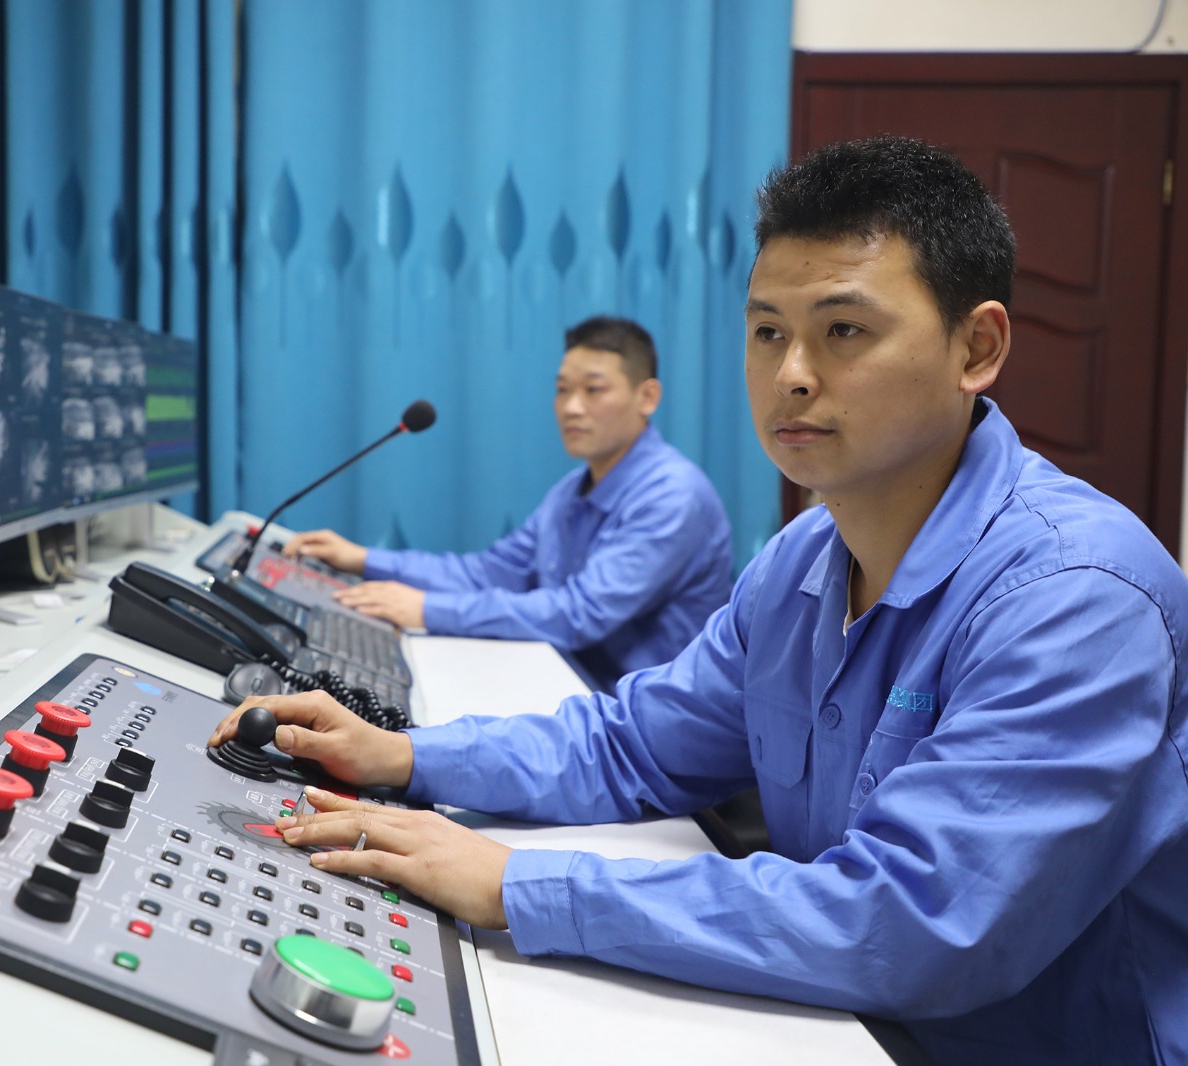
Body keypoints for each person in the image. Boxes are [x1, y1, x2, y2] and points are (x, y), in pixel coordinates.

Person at [209, 136, 1188, 1063]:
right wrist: (406, 756)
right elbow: (636, 745)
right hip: (832, 1021)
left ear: (976, 347)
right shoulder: (803, 558)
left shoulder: (1075, 598)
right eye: (767, 332)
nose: (791, 375)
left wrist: (518, 884)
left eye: (844, 330)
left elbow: (910, 923)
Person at [285, 316, 734, 689]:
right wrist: (363, 559)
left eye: (594, 390)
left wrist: (426, 609)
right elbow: (488, 573)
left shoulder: (673, 495)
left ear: (647, 397)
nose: (572, 407)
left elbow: (579, 614)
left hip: (642, 718)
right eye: (563, 389)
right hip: (564, 682)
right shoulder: (570, 490)